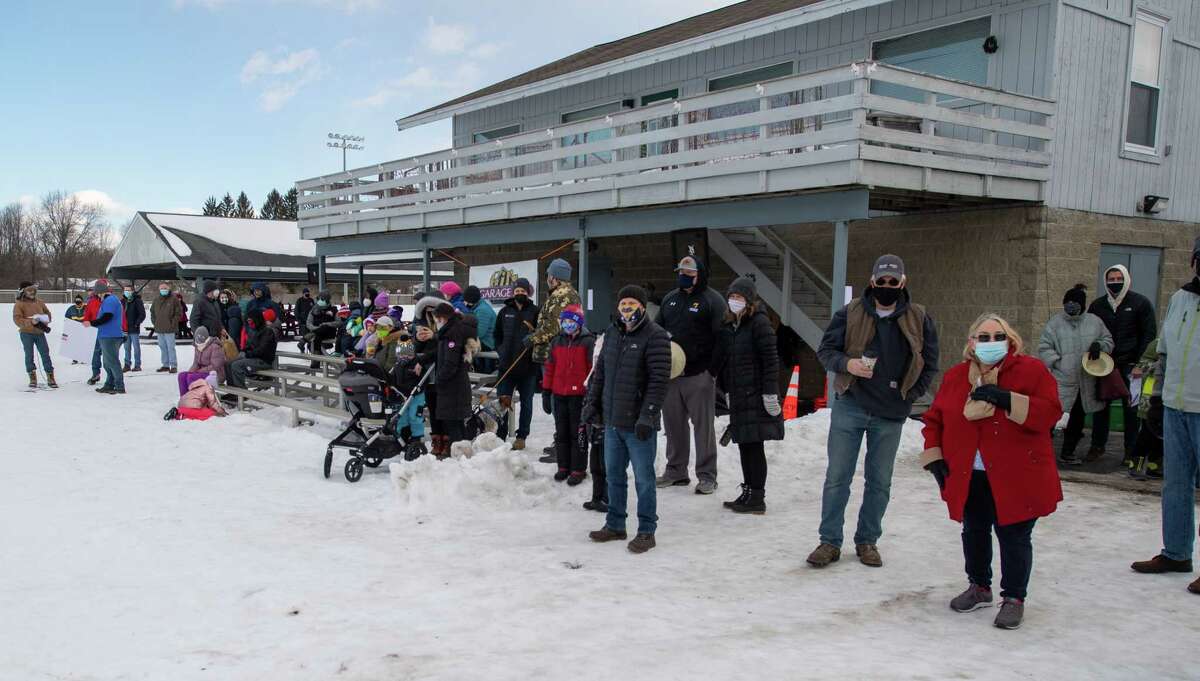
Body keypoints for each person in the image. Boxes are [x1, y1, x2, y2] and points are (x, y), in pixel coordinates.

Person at [920, 313, 1063, 630]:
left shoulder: (1031, 370)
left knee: (1013, 536)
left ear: (1010, 340)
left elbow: (1051, 411)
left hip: (1018, 475)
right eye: (982, 337)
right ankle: (979, 586)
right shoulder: (957, 377)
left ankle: (1013, 598)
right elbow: (935, 420)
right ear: (971, 343)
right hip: (972, 474)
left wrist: (1007, 399)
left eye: (997, 336)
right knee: (973, 530)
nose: (990, 343)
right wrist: (934, 457)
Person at [810, 254, 940, 569]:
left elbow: (930, 363)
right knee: (837, 477)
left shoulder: (918, 318)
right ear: (872, 281)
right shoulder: (850, 312)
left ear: (902, 283)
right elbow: (826, 351)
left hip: (891, 414)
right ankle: (829, 541)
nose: (886, 287)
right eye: (881, 281)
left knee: (879, 482)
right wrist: (847, 364)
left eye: (892, 282)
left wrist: (909, 396)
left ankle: (867, 541)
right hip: (851, 405)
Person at [1131, 236, 1200, 595]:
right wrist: (1156, 399)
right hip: (1175, 407)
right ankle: (1175, 553)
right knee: (1175, 484)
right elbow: (1165, 352)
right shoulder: (1181, 299)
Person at [582, 285, 671, 554]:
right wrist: (591, 405)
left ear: (643, 306)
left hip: (639, 425)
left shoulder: (655, 336)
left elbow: (658, 381)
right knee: (614, 476)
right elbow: (600, 374)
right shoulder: (611, 333)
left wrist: (648, 415)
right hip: (612, 422)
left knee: (644, 479)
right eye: (623, 302)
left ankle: (646, 531)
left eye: (632, 302)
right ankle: (615, 524)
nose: (627, 307)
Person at [654, 254, 726, 494]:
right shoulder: (670, 300)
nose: (683, 277)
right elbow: (657, 330)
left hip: (699, 375)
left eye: (689, 274)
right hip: (672, 375)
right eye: (681, 272)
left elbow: (723, 338)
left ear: (700, 275)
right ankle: (676, 470)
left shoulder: (712, 300)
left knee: (703, 427)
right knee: (673, 424)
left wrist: (711, 372)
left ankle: (707, 475)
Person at [711, 277, 783, 514]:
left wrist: (770, 393)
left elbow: (771, 361)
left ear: (750, 301)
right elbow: (725, 362)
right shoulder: (730, 326)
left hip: (757, 395)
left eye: (739, 297)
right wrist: (727, 391)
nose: (734, 301)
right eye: (731, 297)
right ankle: (748, 491)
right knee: (744, 444)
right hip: (739, 394)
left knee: (754, 446)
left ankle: (757, 496)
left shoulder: (759, 323)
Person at [1087, 264, 1157, 465]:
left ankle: (1131, 450)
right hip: (1104, 364)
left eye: (1119, 278)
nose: (1115, 282)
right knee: (1101, 406)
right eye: (1111, 279)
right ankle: (1097, 446)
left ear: (1126, 279)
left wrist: (1140, 364)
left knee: (1131, 410)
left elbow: (1149, 334)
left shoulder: (1140, 303)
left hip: (1131, 364)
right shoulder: (1098, 305)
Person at [1037, 284, 1113, 465]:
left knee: (1077, 419)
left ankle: (1068, 452)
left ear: (1083, 304)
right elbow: (1044, 347)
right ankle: (1041, 452)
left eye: (1075, 302)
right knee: (1051, 417)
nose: (1071, 305)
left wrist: (1099, 346)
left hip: (1086, 381)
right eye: (1068, 302)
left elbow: (1108, 341)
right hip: (1062, 381)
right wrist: (1057, 362)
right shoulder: (1054, 324)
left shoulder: (1095, 322)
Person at [542, 304, 595, 484]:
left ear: (578, 322)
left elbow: (592, 370)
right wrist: (546, 391)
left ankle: (578, 468)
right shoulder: (557, 341)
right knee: (561, 432)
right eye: (564, 321)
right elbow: (550, 368)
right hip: (559, 394)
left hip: (579, 395)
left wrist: (591, 394)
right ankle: (563, 466)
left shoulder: (588, 342)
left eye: (571, 321)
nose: (567, 325)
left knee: (577, 433)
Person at [422, 301, 477, 453]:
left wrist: (439, 379)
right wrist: (421, 359)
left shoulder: (452, 334)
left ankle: (459, 456)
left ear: (443, 318)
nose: (436, 322)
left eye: (437, 318)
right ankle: (462, 454)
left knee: (454, 424)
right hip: (452, 385)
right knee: (455, 422)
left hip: (454, 386)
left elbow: (451, 363)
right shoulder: (447, 333)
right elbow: (439, 353)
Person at [493, 278, 541, 449]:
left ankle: (522, 436)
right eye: (517, 291)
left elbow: (541, 335)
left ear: (528, 292)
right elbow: (496, 334)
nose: (519, 294)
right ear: (512, 293)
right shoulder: (505, 311)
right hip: (506, 366)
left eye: (523, 291)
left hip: (528, 368)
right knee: (502, 401)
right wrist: (501, 350)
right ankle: (501, 433)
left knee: (527, 403)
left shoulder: (536, 311)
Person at [527, 258, 580, 364]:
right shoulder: (573, 293)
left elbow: (554, 326)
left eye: (548, 275)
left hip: (553, 353)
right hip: (564, 350)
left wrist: (532, 338)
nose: (547, 279)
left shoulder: (560, 295)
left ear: (553, 277)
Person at [84, 280, 127, 395]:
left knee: (112, 362)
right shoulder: (110, 300)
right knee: (107, 363)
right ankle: (109, 384)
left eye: (97, 293)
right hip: (107, 335)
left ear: (100, 292)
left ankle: (119, 386)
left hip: (110, 336)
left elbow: (107, 317)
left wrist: (91, 323)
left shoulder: (110, 300)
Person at [13, 282, 56, 389]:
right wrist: (30, 322)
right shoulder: (19, 304)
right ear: (23, 291)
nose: (32, 292)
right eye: (29, 290)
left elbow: (48, 314)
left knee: (45, 353)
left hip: (40, 333)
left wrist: (45, 319)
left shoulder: (40, 302)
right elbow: (17, 319)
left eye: (33, 290)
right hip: (26, 333)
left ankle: (50, 376)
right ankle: (32, 377)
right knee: (29, 355)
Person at [226, 309, 277, 391]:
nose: (249, 323)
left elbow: (262, 350)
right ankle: (233, 390)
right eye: (248, 321)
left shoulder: (268, 331)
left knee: (236, 366)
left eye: (251, 321)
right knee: (228, 364)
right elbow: (249, 345)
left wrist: (248, 354)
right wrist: (244, 350)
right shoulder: (253, 331)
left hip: (263, 361)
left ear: (257, 319)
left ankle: (241, 392)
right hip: (253, 358)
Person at [150, 282, 183, 373]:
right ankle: (165, 365)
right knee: (162, 347)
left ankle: (173, 365)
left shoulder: (174, 299)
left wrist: (173, 323)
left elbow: (179, 313)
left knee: (170, 347)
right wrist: (155, 322)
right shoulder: (156, 299)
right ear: (159, 289)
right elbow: (152, 312)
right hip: (159, 328)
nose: (163, 290)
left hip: (170, 329)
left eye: (165, 288)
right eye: (162, 288)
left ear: (168, 289)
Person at [464, 285, 497, 371]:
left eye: (467, 301)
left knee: (485, 372)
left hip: (487, 344)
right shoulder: (478, 308)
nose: (465, 303)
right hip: (484, 343)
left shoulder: (482, 310)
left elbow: (480, 332)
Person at [120, 284, 145, 372]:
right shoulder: (122, 301)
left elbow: (142, 314)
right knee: (126, 348)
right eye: (125, 290)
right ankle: (127, 364)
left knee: (136, 348)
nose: (127, 292)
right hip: (125, 329)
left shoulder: (137, 300)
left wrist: (137, 323)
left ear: (132, 291)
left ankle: (137, 365)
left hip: (134, 328)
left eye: (128, 290)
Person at [304, 290, 338, 354]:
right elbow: (308, 323)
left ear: (327, 300)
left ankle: (304, 340)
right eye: (319, 299)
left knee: (318, 336)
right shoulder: (314, 310)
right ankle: (317, 360)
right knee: (316, 339)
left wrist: (326, 324)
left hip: (328, 333)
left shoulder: (333, 309)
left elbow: (339, 322)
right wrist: (317, 328)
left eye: (322, 299)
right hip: (316, 333)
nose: (319, 301)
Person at [83, 285, 104, 385]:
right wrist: (86, 323)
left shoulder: (111, 301)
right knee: (95, 353)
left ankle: (112, 375)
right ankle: (96, 373)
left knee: (109, 355)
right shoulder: (92, 302)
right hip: (95, 331)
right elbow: (87, 316)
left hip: (109, 331)